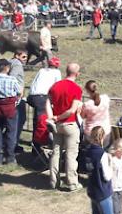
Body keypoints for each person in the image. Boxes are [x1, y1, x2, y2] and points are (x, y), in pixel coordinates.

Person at [47, 62, 84, 192]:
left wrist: (52, 117)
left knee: (55, 153)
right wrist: (58, 117)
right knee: (71, 154)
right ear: (77, 74)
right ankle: (72, 182)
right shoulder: (77, 89)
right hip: (70, 124)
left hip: (57, 125)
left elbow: (48, 102)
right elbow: (72, 110)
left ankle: (53, 181)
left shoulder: (55, 86)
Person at [0, 59, 21, 165]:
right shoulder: (12, 79)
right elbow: (19, 92)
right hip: (10, 107)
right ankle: (10, 158)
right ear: (7, 68)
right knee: (11, 132)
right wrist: (16, 102)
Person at [27, 56, 62, 138]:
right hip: (43, 97)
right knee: (42, 121)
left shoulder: (41, 70)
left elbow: (34, 82)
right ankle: (39, 143)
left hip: (33, 96)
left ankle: (35, 142)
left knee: (36, 120)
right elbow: (57, 87)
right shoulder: (57, 72)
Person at [85, 126, 113, 214]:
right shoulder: (102, 154)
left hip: (92, 190)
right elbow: (107, 176)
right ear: (102, 137)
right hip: (102, 192)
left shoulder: (87, 151)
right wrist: (111, 164)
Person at [81, 81, 112, 147]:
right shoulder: (106, 98)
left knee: (90, 153)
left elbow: (82, 116)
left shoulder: (87, 105)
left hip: (91, 132)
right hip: (105, 130)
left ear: (87, 90)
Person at [8, 50, 27, 153]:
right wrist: (19, 93)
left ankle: (11, 142)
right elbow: (13, 78)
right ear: (16, 55)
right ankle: (13, 144)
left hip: (12, 96)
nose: (25, 59)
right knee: (19, 120)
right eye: (23, 57)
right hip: (16, 97)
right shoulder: (17, 64)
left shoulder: (10, 62)